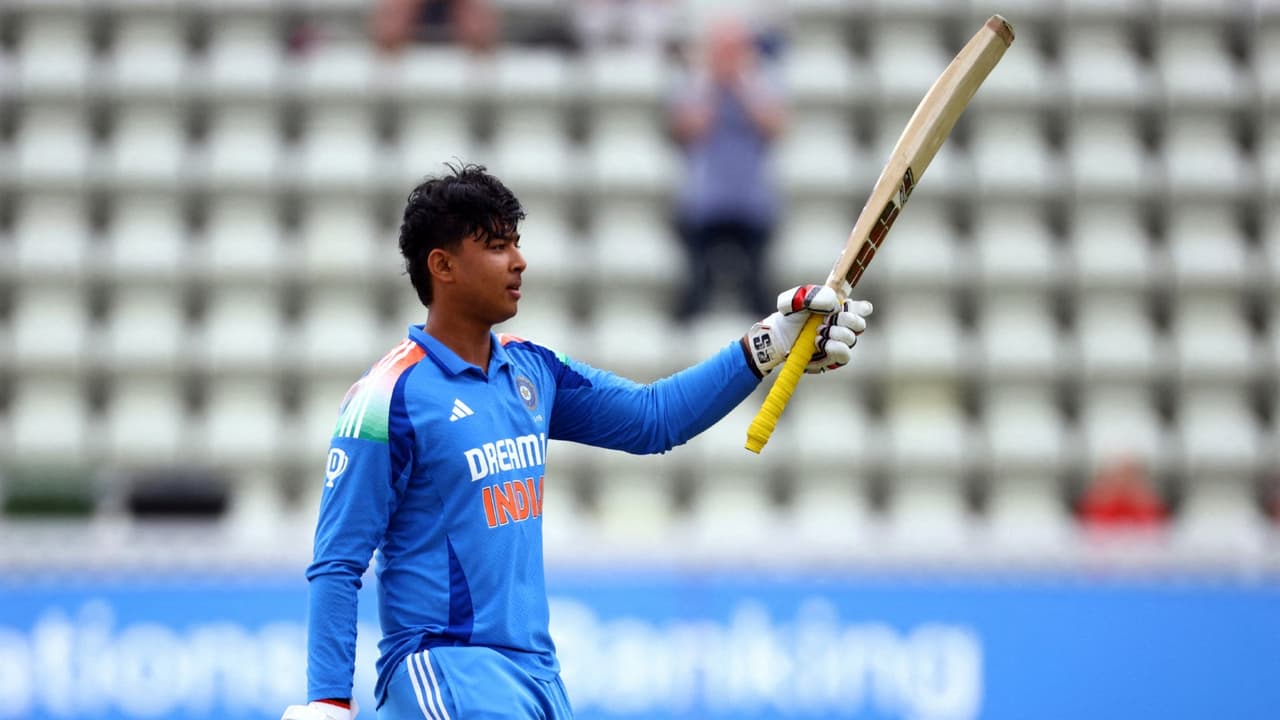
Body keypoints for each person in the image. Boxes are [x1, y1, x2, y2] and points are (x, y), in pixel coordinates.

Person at [280, 163, 872, 720]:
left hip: (537, 677)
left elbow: (654, 419)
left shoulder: (531, 369)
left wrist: (769, 343)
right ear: (443, 265)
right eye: (497, 246)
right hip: (447, 672)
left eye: (516, 243)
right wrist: (328, 703)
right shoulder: (386, 398)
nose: (520, 262)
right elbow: (338, 560)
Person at [668, 14, 787, 321]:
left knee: (757, 281)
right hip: (706, 199)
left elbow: (773, 126)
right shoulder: (695, 85)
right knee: (697, 278)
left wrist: (742, 86)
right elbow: (687, 129)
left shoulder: (761, 85)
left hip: (750, 199)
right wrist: (714, 87)